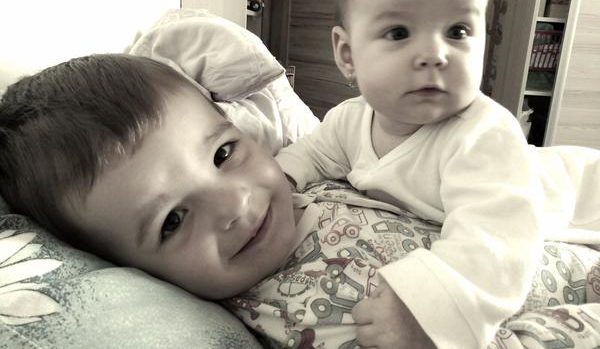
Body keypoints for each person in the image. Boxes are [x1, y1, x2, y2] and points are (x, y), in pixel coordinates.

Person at [2, 53, 600, 349]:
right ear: (125, 267)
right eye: (173, 220)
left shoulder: (296, 182)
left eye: (223, 153)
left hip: (554, 246)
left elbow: (330, 143)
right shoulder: (289, 313)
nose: (236, 203)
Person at [275, 0, 600, 349]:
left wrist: (428, 311)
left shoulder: (481, 135)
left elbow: (495, 243)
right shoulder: (349, 120)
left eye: (457, 31)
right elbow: (312, 152)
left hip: (579, 195)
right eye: (399, 32)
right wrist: (279, 177)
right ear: (348, 55)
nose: (434, 53)